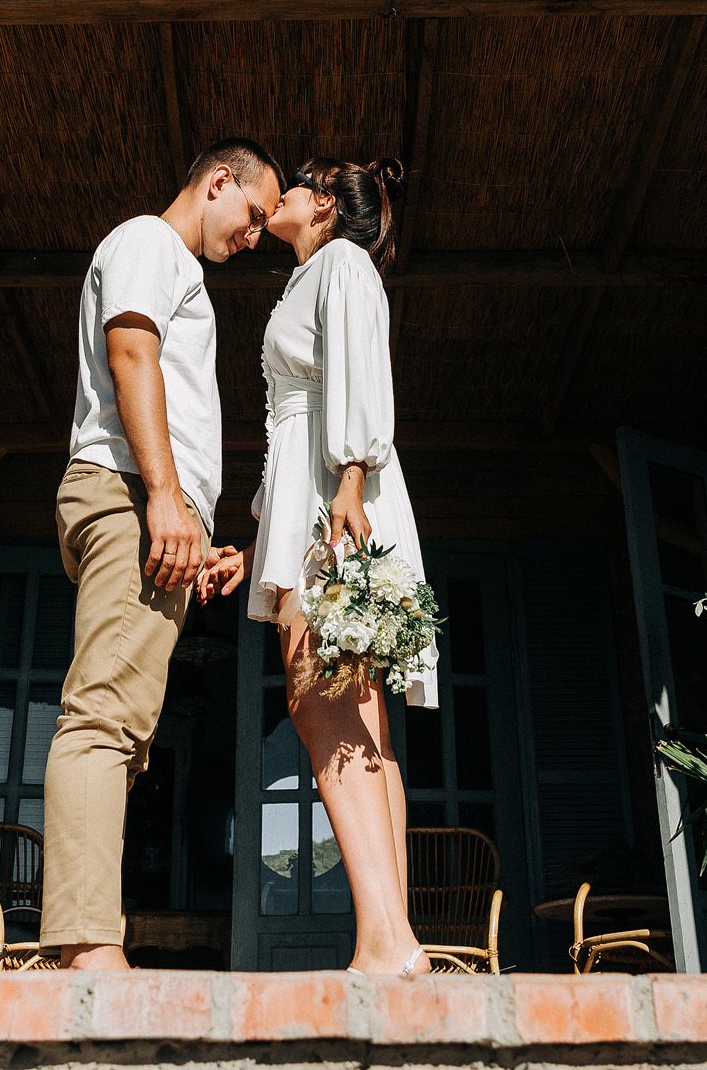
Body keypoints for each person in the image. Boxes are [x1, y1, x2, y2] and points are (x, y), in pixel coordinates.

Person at [41, 138, 285, 971]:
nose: (254, 235)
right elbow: (131, 353)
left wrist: (193, 530)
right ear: (219, 181)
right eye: (253, 213)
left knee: (127, 731)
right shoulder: (149, 239)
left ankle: (82, 939)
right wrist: (163, 497)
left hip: (147, 503)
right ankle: (86, 948)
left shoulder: (176, 266)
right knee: (105, 716)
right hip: (128, 492)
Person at [203, 155, 433, 978]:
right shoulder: (312, 274)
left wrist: (350, 483)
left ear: (326, 203)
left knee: (319, 696)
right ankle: (393, 937)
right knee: (360, 715)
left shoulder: (342, 263)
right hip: (311, 493)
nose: (284, 196)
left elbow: (361, 374)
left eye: (298, 184)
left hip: (334, 498)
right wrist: (259, 538)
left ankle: (387, 938)